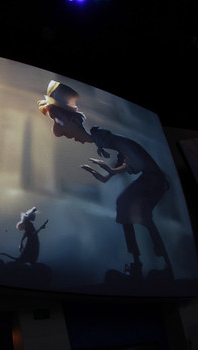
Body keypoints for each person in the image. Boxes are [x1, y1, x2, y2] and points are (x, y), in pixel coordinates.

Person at [38, 80, 172, 278]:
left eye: (57, 120)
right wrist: (111, 172)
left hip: (153, 179)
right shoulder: (103, 139)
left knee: (132, 210)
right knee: (124, 207)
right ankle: (137, 263)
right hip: (149, 178)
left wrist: (113, 171)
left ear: (75, 121)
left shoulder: (106, 138)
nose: (57, 132)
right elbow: (131, 159)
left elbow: (138, 163)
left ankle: (159, 263)